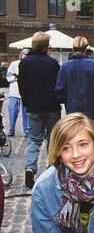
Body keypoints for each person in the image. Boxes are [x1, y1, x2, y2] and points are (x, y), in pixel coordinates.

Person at [18, 31, 61, 189]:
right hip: (51, 107)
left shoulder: (24, 63)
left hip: (33, 106)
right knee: (53, 140)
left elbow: (22, 86)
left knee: (34, 140)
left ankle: (30, 168)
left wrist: (27, 102)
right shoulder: (52, 63)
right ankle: (51, 171)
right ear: (45, 47)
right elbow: (59, 85)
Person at [55, 36, 94, 127]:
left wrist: (68, 99)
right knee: (91, 137)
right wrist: (92, 97)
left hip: (72, 109)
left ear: (73, 48)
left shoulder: (65, 66)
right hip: (91, 108)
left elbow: (59, 90)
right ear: (86, 48)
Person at [6, 49, 29, 137]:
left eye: (27, 54)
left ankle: (26, 130)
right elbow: (8, 77)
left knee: (26, 112)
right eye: (24, 54)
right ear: (21, 54)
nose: (26, 56)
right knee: (13, 111)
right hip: (14, 91)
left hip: (25, 91)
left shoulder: (29, 64)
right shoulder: (14, 64)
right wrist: (16, 78)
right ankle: (12, 129)